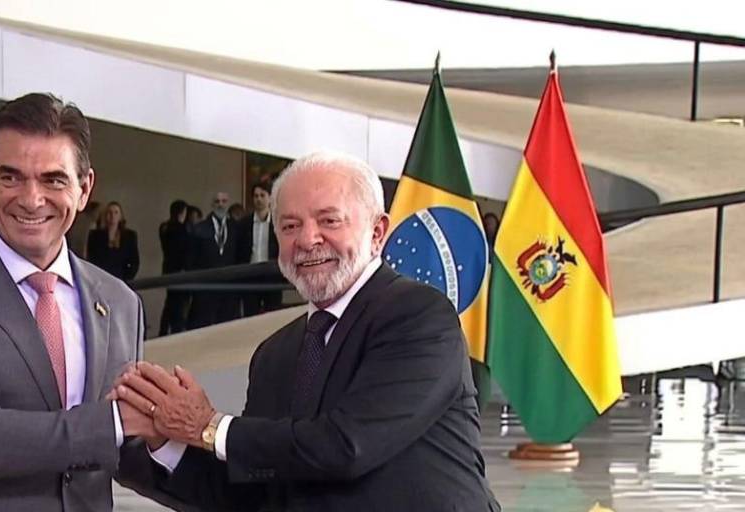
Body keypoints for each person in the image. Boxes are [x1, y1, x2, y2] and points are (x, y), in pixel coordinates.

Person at [116, 151, 500, 511]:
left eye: (329, 220)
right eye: (290, 226)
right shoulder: (275, 354)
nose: (307, 239)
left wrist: (208, 427)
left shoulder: (419, 317)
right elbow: (253, 491)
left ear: (377, 232)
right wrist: (162, 439)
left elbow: (347, 446)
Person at [0, 93, 167, 511]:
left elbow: (117, 448)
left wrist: (169, 434)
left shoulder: (119, 302)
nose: (32, 199)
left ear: (84, 188)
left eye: (53, 180)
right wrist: (116, 420)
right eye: (11, 177)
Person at [186, 192, 240, 328]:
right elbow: (191, 261)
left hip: (229, 290)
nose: (220, 204)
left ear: (228, 204)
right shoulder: (199, 229)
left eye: (224, 201)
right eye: (217, 201)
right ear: (212, 205)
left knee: (228, 329)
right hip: (206, 289)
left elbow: (239, 257)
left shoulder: (236, 228)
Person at [237, 181, 281, 317]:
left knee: (273, 316)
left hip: (272, 275)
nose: (259, 199)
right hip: (250, 275)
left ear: (270, 198)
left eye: (262, 195)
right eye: (256, 196)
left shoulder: (278, 223)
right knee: (250, 316)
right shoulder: (244, 224)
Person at [158, 200, 190, 336]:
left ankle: (164, 330)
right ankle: (176, 328)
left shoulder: (164, 228)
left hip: (168, 269)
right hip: (179, 270)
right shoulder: (181, 230)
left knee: (170, 301)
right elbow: (183, 252)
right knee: (178, 303)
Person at [86, 201, 139, 281]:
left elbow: (134, 261)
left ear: (120, 216)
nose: (112, 216)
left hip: (121, 279)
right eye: (109, 212)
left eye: (116, 212)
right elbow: (91, 259)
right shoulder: (95, 236)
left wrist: (126, 279)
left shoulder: (129, 236)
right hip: (101, 278)